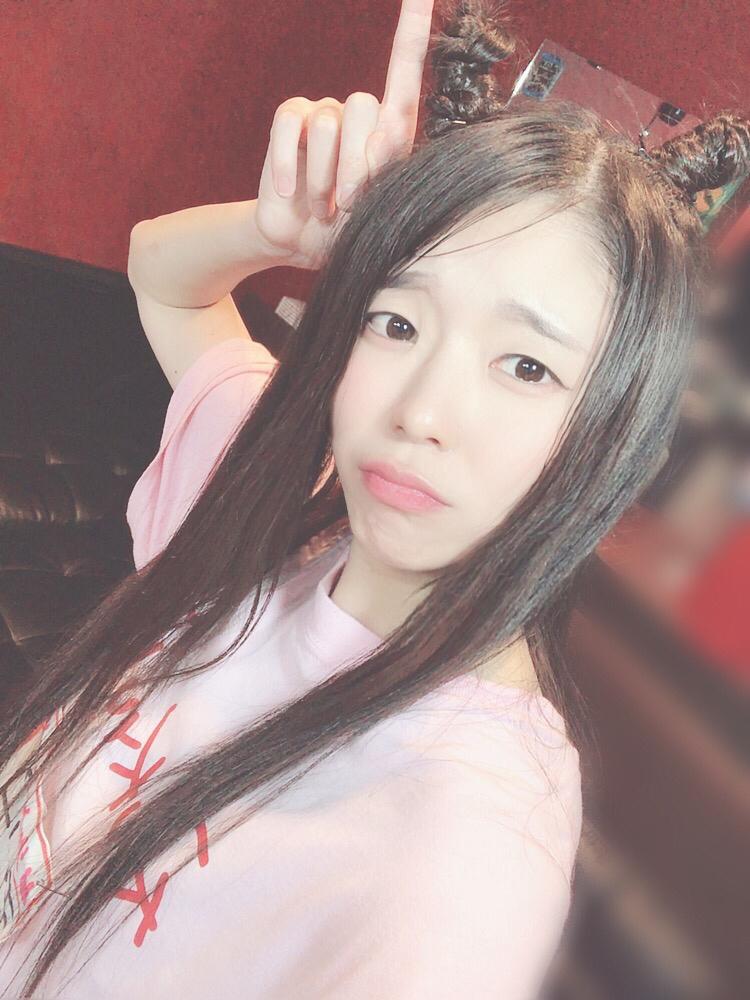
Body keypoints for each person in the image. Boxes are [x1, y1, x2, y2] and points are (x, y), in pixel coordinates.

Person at [1, 0, 748, 996]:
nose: (420, 412)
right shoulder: (281, 502)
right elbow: (164, 276)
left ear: (614, 436)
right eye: (397, 322)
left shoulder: (464, 856)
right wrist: (279, 230)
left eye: (526, 366)